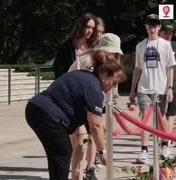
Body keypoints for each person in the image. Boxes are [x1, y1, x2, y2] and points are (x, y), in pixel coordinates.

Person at [25, 50, 125, 180]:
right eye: (114, 82)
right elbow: (95, 125)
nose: (113, 87)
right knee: (62, 154)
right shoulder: (94, 88)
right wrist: (103, 152)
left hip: (36, 108)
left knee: (58, 155)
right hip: (48, 115)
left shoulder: (84, 75)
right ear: (105, 74)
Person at [68, 33, 123, 180]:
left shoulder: (113, 64)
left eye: (115, 53)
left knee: (94, 137)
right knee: (80, 144)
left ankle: (90, 169)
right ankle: (76, 176)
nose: (112, 55)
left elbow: (110, 88)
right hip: (76, 106)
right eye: (110, 52)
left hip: (96, 103)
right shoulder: (85, 61)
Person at [129, 14, 175, 162]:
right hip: (144, 87)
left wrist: (170, 88)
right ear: (146, 26)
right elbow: (137, 69)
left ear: (159, 27)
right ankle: (144, 150)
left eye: (155, 25)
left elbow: (170, 68)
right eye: (150, 24)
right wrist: (132, 90)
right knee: (144, 118)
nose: (152, 27)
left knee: (162, 118)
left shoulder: (166, 45)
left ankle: (165, 145)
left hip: (161, 87)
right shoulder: (140, 45)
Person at [158, 22, 176, 156]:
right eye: (166, 33)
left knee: (170, 114)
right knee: (160, 114)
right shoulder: (155, 45)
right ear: (160, 33)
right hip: (158, 85)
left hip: (173, 85)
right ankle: (163, 139)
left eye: (170, 33)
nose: (168, 36)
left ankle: (166, 142)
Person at [53, 13, 98, 79]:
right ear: (80, 26)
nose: (90, 31)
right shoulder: (67, 46)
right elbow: (58, 70)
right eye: (88, 27)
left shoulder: (94, 46)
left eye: (93, 28)